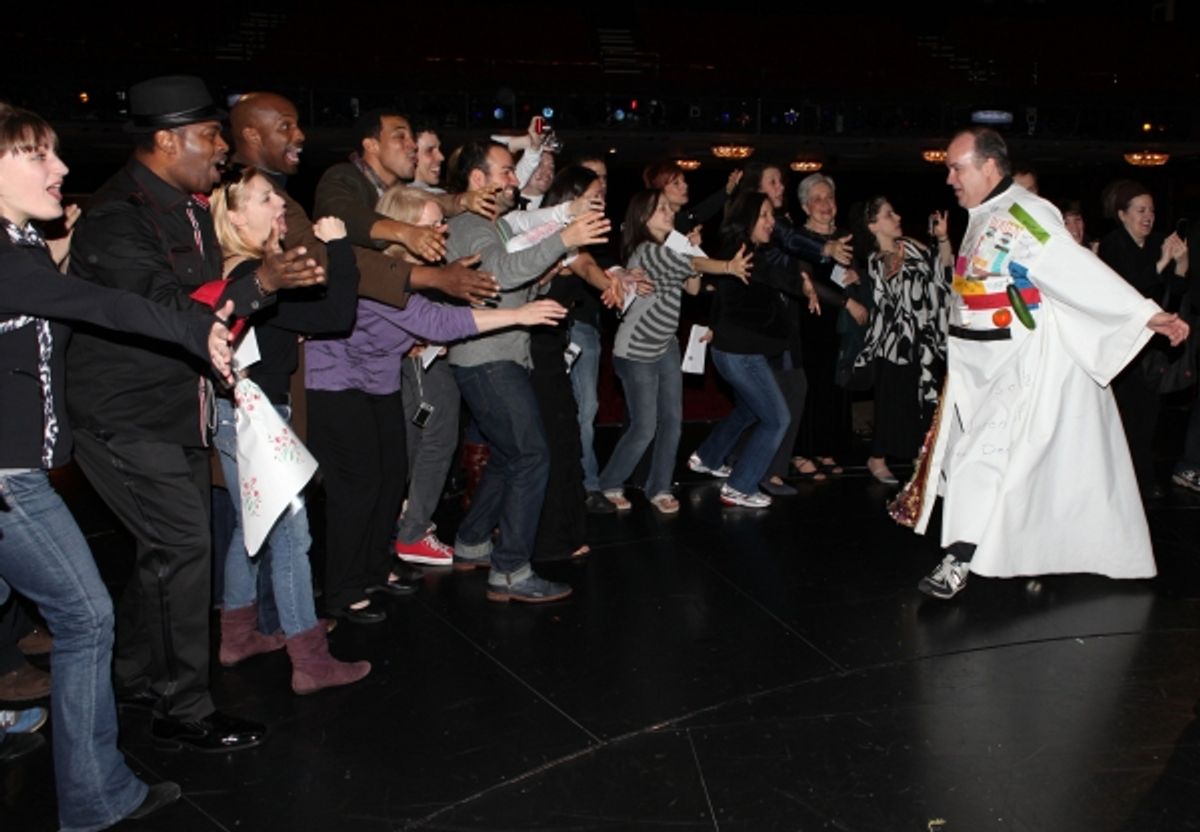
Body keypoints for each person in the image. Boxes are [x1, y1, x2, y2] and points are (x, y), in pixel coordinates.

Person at [65, 75, 320, 751]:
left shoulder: (185, 208)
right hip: (122, 413)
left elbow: (210, 306)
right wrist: (262, 282)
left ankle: (135, 672)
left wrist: (258, 285)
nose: (221, 148)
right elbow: (168, 310)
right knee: (183, 545)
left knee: (167, 547)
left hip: (177, 406)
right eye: (209, 135)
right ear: (165, 140)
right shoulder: (117, 217)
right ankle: (185, 707)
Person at [0, 101, 236, 827]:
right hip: (6, 482)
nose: (62, 168)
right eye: (38, 155)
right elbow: (103, 306)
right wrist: (199, 331)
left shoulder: (23, 246)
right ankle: (96, 796)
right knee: (86, 616)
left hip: (19, 472)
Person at [897, 127, 1188, 600]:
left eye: (957, 167)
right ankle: (1016, 554)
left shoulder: (1023, 214)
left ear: (990, 166)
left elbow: (1074, 269)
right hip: (978, 367)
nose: (949, 177)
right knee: (1005, 471)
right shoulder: (980, 214)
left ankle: (959, 559)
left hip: (1019, 369)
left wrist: (1143, 314)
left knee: (980, 462)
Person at [309, 181, 575, 615]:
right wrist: (519, 314)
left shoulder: (416, 276)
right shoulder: (376, 270)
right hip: (336, 385)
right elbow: (435, 321)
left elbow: (425, 320)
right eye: (435, 225)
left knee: (391, 478)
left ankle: (376, 569)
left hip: (378, 383)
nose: (444, 233)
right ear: (404, 229)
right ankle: (342, 590)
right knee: (356, 490)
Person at [209, 164, 372, 692]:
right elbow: (336, 314)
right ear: (232, 215)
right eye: (264, 199)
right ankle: (311, 658)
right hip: (256, 420)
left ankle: (236, 634)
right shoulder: (254, 278)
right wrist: (340, 247)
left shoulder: (236, 271)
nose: (280, 207)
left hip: (235, 416)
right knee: (291, 537)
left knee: (248, 527)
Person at [444, 141, 608, 600]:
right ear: (478, 180)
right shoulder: (469, 225)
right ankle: (511, 571)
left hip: (498, 356)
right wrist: (564, 240)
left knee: (509, 456)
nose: (515, 179)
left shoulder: (492, 225)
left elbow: (510, 271)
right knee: (532, 456)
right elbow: (501, 273)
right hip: (487, 359)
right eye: (506, 172)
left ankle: (473, 541)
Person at [598, 189, 751, 513]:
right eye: (661, 209)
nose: (670, 212)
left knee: (672, 422)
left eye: (669, 207)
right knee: (643, 427)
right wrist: (727, 266)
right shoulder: (647, 251)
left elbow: (693, 286)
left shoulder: (669, 249)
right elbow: (693, 264)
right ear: (643, 217)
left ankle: (660, 487)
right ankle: (609, 483)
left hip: (666, 345)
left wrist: (691, 245)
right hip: (636, 350)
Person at [688, 191, 799, 508]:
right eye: (764, 215)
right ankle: (740, 485)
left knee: (749, 409)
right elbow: (779, 279)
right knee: (777, 419)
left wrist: (713, 325)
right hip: (740, 354)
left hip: (731, 352)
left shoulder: (741, 251)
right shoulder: (744, 254)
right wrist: (806, 284)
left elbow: (724, 297)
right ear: (748, 218)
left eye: (771, 215)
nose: (771, 221)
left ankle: (708, 457)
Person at [1098, 180, 1190, 499]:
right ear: (1122, 214)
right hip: (1121, 347)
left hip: (1151, 348)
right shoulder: (1113, 245)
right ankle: (1122, 484)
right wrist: (1162, 264)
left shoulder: (1157, 243)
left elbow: (1172, 299)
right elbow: (1126, 295)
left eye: (1151, 210)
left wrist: (1180, 266)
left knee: (1148, 417)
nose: (1148, 216)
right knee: (1123, 418)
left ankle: (1142, 479)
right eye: (1140, 210)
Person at [850, 197, 951, 485]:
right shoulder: (876, 259)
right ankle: (877, 458)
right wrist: (895, 262)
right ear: (873, 225)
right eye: (888, 214)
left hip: (925, 341)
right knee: (893, 403)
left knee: (926, 404)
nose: (897, 217)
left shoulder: (911, 245)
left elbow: (942, 273)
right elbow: (889, 273)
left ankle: (924, 462)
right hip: (895, 345)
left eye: (895, 211)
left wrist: (942, 239)